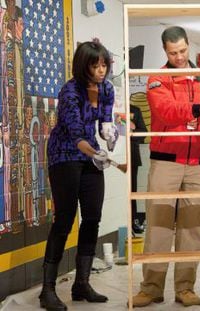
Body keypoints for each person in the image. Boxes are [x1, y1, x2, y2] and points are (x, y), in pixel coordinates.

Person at [132, 26, 200, 308]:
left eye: (183, 51)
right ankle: (151, 288)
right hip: (165, 162)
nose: (179, 56)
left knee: (194, 228)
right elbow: (166, 112)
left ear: (188, 46)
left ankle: (185, 288)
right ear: (165, 51)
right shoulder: (157, 79)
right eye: (173, 53)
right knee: (159, 227)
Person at [39, 41, 117, 311]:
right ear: (83, 67)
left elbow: (106, 120)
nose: (101, 70)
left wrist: (110, 136)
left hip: (89, 154)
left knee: (93, 217)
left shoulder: (106, 88)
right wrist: (94, 152)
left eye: (104, 64)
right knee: (64, 219)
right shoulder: (70, 91)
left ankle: (81, 283)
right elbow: (75, 135)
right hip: (65, 154)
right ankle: (47, 290)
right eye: (95, 66)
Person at [129, 104, 147, 234]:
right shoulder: (107, 107)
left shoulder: (134, 110)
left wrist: (133, 131)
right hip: (114, 156)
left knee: (132, 190)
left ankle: (134, 220)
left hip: (132, 156)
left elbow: (144, 133)